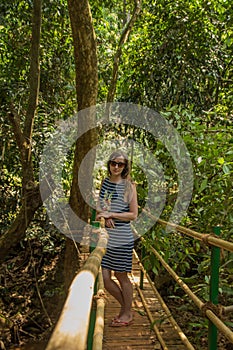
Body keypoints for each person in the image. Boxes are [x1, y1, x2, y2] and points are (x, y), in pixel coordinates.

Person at [96, 150, 138, 327]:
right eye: (113, 163)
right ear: (109, 164)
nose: (116, 167)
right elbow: (99, 208)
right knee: (105, 278)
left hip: (122, 236)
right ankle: (126, 308)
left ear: (125, 167)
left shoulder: (129, 186)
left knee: (121, 276)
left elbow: (133, 215)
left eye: (120, 164)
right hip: (107, 236)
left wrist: (112, 213)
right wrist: (104, 216)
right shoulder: (105, 183)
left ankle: (126, 313)